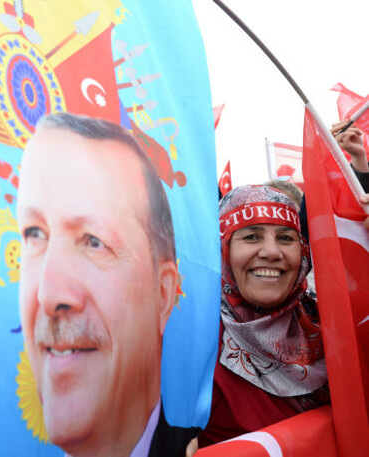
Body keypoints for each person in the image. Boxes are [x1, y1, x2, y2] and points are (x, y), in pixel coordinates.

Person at [16, 113, 199, 457]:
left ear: (163, 295)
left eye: (93, 241)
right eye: (35, 234)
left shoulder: (213, 443)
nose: (49, 293)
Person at [199, 185, 329, 446]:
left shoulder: (332, 324)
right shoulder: (192, 347)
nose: (271, 252)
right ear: (222, 249)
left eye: (285, 238)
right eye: (251, 237)